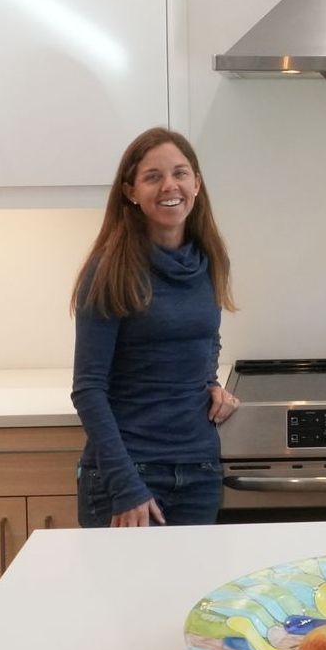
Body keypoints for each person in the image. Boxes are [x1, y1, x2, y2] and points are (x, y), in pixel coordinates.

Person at [70, 127, 240, 528]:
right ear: (131, 190)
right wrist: (127, 486)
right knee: (128, 593)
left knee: (197, 592)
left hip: (198, 469)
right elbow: (88, 388)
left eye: (180, 173)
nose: (170, 186)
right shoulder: (111, 270)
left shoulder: (209, 260)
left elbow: (206, 338)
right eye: (153, 176)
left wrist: (211, 383)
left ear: (196, 184)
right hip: (131, 473)